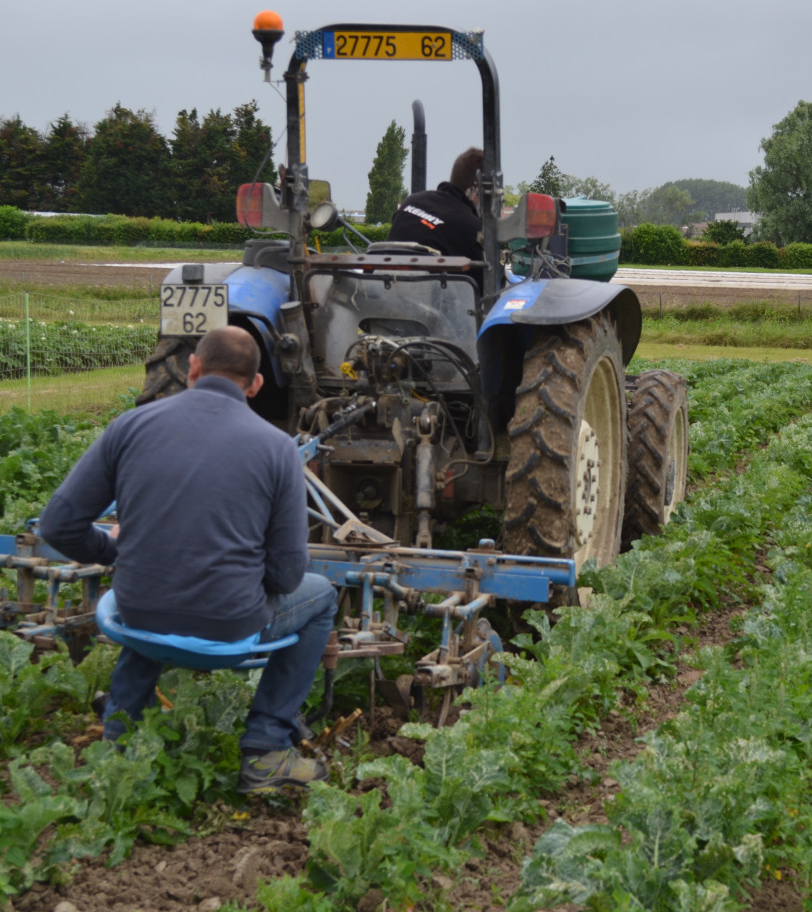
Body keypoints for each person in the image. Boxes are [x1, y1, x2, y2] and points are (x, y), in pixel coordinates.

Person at [39, 326, 337, 793]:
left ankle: (120, 741)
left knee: (151, 587)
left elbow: (57, 526)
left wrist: (114, 552)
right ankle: (265, 750)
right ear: (256, 385)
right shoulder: (278, 448)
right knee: (321, 596)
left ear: (192, 367)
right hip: (230, 627)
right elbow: (286, 573)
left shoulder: (129, 427)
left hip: (135, 615)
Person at [387, 146, 486, 291]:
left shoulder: (412, 201)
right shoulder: (471, 227)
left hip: (382, 295)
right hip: (428, 306)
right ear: (475, 190)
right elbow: (485, 286)